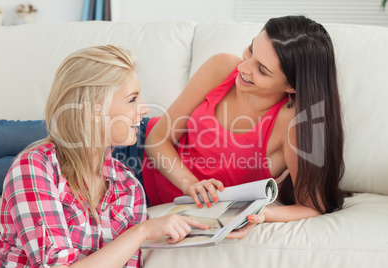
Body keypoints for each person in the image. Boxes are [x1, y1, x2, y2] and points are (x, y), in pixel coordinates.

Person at [0, 45, 208, 268]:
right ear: (92, 110)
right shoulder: (35, 167)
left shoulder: (129, 186)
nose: (143, 109)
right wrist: (143, 231)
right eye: (132, 99)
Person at [141, 15, 346, 239]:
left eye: (262, 70)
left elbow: (311, 206)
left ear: (291, 86)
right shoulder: (221, 67)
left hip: (145, 196)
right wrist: (191, 184)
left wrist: (254, 213)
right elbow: (156, 139)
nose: (243, 66)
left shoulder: (293, 124)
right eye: (250, 49)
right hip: (133, 146)